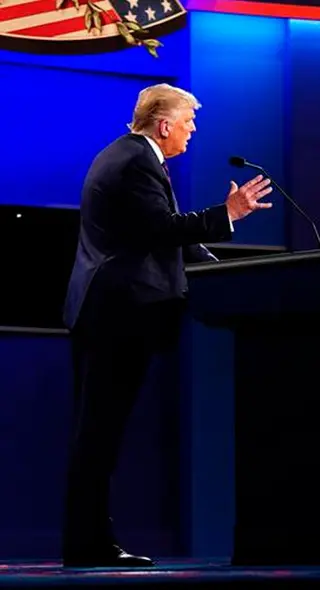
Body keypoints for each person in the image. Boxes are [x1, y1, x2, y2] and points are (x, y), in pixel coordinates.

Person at [61, 83, 273, 568]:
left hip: (107, 313)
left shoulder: (128, 156)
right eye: (188, 122)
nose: (192, 131)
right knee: (99, 434)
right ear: (164, 125)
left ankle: (88, 541)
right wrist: (228, 213)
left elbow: (159, 234)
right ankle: (87, 544)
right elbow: (160, 229)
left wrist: (222, 266)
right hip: (117, 315)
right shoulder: (136, 161)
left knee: (98, 433)